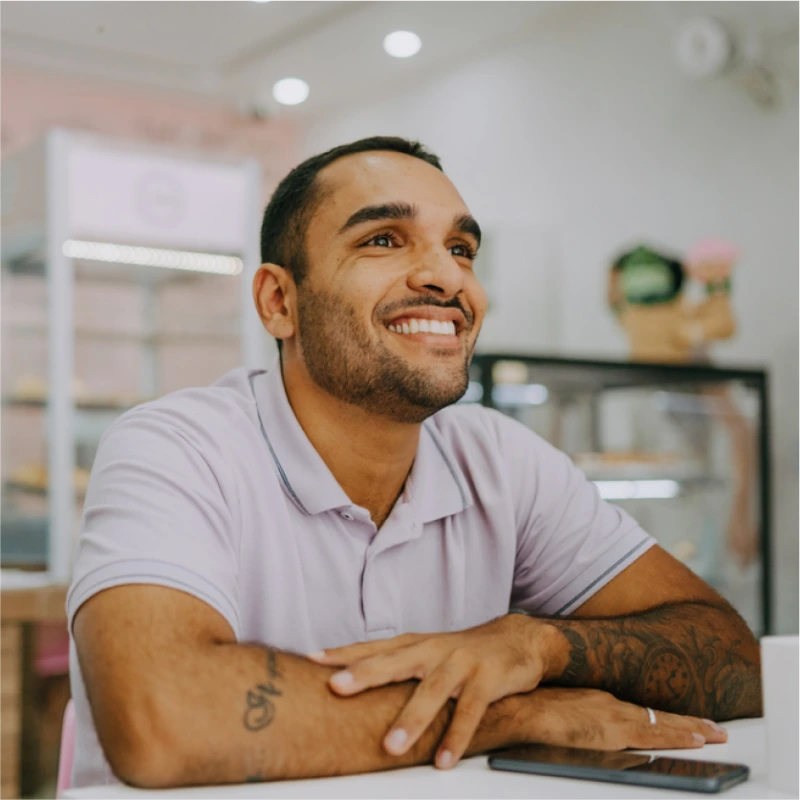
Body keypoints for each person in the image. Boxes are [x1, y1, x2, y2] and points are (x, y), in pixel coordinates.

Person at [69, 137, 761, 790]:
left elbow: (734, 658)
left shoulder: (498, 458)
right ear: (280, 301)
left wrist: (540, 647)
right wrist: (512, 713)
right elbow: (162, 718)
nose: (445, 277)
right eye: (382, 240)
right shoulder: (176, 447)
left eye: (461, 249)